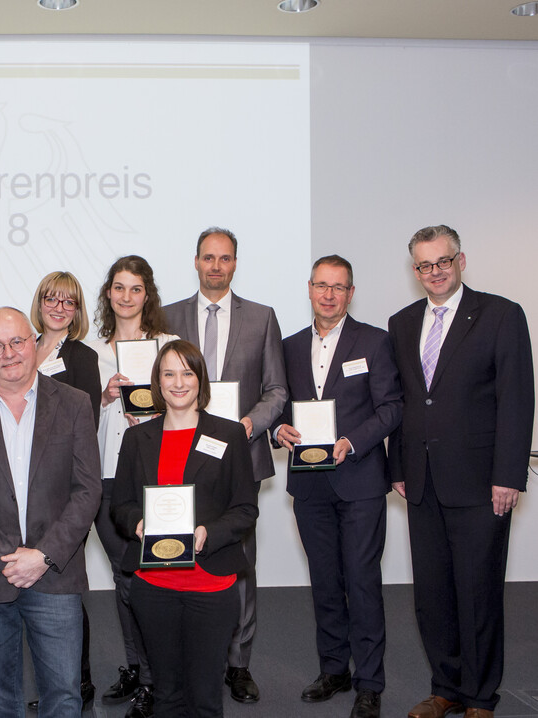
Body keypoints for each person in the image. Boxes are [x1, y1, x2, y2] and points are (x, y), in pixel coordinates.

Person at [387, 225, 533, 718]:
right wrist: (397, 466)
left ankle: (480, 697)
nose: (435, 272)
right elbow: (403, 401)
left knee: (479, 592)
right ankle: (445, 688)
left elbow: (517, 400)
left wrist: (509, 475)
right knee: (432, 594)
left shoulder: (500, 315)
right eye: (425, 265)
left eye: (443, 261)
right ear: (415, 270)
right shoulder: (402, 322)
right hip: (421, 481)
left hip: (481, 482)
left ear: (461, 260)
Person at [0, 307, 102, 718]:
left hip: (55, 574)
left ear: (34, 344)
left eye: (17, 342)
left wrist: (41, 556)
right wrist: (10, 557)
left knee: (63, 696)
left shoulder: (75, 404)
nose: (8, 353)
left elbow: (87, 491)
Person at [271, 255, 402, 718]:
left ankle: (370, 682)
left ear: (351, 292)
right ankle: (334, 669)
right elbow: (279, 405)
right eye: (321, 285)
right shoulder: (286, 346)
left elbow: (391, 408)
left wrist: (353, 441)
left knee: (362, 582)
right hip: (309, 486)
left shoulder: (376, 341)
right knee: (325, 582)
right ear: (309, 288)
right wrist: (278, 431)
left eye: (338, 286)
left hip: (360, 481)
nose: (329, 294)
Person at [162, 226, 287, 703]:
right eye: (208, 258)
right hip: (177, 459)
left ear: (236, 264)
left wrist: (247, 427)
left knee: (238, 564)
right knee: (177, 557)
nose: (216, 266)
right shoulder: (169, 316)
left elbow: (276, 389)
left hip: (239, 458)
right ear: (195, 261)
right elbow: (160, 385)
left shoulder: (261, 317)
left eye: (225, 258)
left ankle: (238, 664)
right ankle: (189, 658)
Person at [111, 339, 258, 718]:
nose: (178, 382)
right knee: (167, 694)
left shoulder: (229, 435)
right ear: (157, 383)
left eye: (187, 373)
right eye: (169, 373)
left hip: (210, 585)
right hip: (154, 586)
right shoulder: (136, 438)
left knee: (206, 696)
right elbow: (120, 505)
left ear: (200, 380)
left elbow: (245, 509)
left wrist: (210, 531)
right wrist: (138, 523)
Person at [87, 255, 177, 717]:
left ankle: (157, 675)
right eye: (118, 288)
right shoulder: (90, 349)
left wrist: (160, 409)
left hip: (159, 477)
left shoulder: (170, 345)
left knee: (152, 578)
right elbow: (75, 421)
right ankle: (137, 668)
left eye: (135, 288)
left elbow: (190, 406)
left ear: (148, 294)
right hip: (106, 476)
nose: (126, 297)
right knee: (125, 577)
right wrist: (104, 398)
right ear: (108, 294)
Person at [27, 270, 101, 711]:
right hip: (21, 486)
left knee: (62, 587)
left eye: (68, 302)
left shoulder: (83, 357)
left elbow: (85, 426)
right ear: (39, 303)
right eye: (51, 299)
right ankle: (54, 683)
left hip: (63, 489)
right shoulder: (22, 345)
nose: (58, 307)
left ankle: (79, 681)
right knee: (31, 591)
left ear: (77, 311)